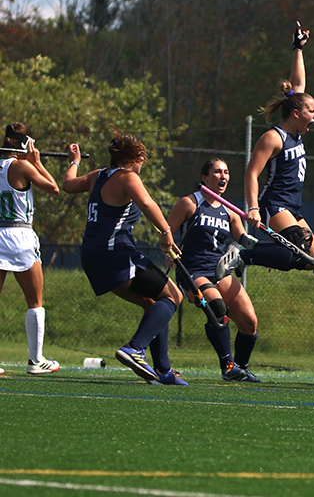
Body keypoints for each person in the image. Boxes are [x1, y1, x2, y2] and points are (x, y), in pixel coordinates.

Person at [63, 132, 186, 385]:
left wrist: (74, 161)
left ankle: (163, 371)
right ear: (136, 156)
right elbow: (148, 204)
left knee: (154, 304)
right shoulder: (128, 177)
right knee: (174, 296)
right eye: (143, 158)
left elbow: (68, 185)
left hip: (91, 255)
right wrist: (166, 234)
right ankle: (135, 348)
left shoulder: (98, 175)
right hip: (116, 252)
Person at [217, 21, 314, 279]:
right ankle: (241, 255)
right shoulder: (274, 138)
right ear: (296, 114)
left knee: (313, 260)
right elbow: (251, 174)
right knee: (297, 250)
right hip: (274, 205)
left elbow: (298, 85)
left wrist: (298, 49)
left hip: (293, 207)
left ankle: (263, 252)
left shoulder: (296, 132)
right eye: (312, 111)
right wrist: (252, 208)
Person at [167, 158, 262, 382]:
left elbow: (243, 241)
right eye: (217, 172)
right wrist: (168, 254)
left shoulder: (230, 212)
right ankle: (228, 366)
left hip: (219, 270)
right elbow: (166, 232)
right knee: (217, 308)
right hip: (192, 270)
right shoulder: (190, 203)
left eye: (226, 172)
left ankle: (242, 368)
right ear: (204, 177)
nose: (223, 176)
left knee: (250, 321)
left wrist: (265, 250)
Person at [0, 123, 61, 375]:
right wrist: (37, 162)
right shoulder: (22, 166)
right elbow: (53, 187)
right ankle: (35, 361)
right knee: (35, 301)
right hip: (19, 235)